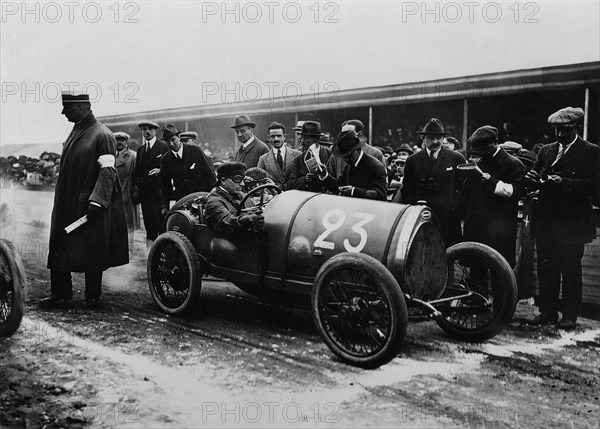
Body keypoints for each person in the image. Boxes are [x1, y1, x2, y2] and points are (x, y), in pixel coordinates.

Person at [41, 93, 128, 309]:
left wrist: (98, 201)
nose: (63, 113)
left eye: (67, 109)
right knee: (60, 244)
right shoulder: (77, 130)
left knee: (92, 249)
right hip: (66, 202)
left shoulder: (102, 134)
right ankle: (60, 293)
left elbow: (108, 172)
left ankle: (92, 296)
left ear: (82, 107)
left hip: (88, 204)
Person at [525, 107, 600, 329]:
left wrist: (563, 183)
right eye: (556, 130)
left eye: (564, 130)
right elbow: (538, 175)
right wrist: (532, 178)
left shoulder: (591, 151)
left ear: (577, 127)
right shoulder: (546, 150)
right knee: (546, 267)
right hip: (547, 220)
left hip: (572, 223)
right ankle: (547, 311)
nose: (559, 135)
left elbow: (595, 184)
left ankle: (569, 315)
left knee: (570, 269)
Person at [457, 126, 525, 267]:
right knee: (477, 274)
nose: (482, 151)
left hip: (500, 230)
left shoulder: (514, 164)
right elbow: (466, 194)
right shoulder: (479, 164)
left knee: (499, 275)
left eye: (485, 147)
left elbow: (515, 193)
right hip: (478, 229)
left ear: (496, 142)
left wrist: (491, 181)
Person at [401, 118, 466, 247]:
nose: (435, 141)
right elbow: (407, 189)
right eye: (431, 138)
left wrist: (454, 205)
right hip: (422, 218)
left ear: (443, 138)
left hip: (448, 219)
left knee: (448, 255)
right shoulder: (413, 161)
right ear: (423, 139)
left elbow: (464, 188)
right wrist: (414, 207)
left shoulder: (456, 158)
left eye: (439, 138)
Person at [159, 124, 217, 216]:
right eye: (167, 141)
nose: (171, 144)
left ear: (179, 137)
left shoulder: (195, 151)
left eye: (173, 140)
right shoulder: (165, 159)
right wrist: (165, 207)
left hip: (202, 199)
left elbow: (210, 175)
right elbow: (165, 185)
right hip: (183, 202)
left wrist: (213, 198)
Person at [319, 129, 387, 200]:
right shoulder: (349, 166)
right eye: (344, 157)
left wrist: (354, 191)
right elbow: (339, 187)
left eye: (348, 155)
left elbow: (380, 194)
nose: (346, 160)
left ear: (357, 150)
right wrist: (325, 176)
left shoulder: (375, 167)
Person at [133, 119, 168, 246]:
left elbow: (169, 168)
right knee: (148, 225)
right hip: (145, 195)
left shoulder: (163, 146)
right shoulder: (141, 149)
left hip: (159, 194)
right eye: (144, 129)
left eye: (150, 129)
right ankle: (150, 254)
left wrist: (160, 170)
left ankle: (162, 252)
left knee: (161, 225)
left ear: (155, 131)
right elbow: (137, 171)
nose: (147, 132)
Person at [204, 162, 265, 234]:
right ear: (223, 180)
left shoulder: (243, 196)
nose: (242, 184)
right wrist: (249, 219)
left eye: (243, 180)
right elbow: (226, 222)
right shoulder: (214, 201)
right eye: (237, 179)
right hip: (230, 240)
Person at [325, 120, 386, 184]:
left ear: (360, 133)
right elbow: (330, 184)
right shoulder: (336, 156)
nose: (344, 136)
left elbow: (382, 183)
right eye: (342, 133)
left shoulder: (376, 153)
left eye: (348, 133)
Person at [285, 121, 332, 192]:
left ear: (316, 139)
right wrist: (305, 179)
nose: (302, 141)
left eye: (306, 138)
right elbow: (290, 184)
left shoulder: (330, 155)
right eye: (302, 138)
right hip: (307, 199)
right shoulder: (299, 159)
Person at [114, 131, 138, 252]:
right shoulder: (111, 155)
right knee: (115, 219)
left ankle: (130, 246)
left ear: (126, 141)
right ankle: (118, 246)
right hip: (115, 191)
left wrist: (134, 192)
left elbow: (136, 175)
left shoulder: (133, 155)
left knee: (129, 221)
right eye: (117, 139)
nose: (119, 142)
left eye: (121, 140)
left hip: (128, 190)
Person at [257, 122, 301, 188]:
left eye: (279, 136)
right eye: (273, 136)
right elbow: (259, 181)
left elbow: (300, 178)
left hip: (293, 195)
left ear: (284, 137)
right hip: (273, 196)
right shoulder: (263, 159)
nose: (276, 139)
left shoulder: (297, 155)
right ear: (269, 138)